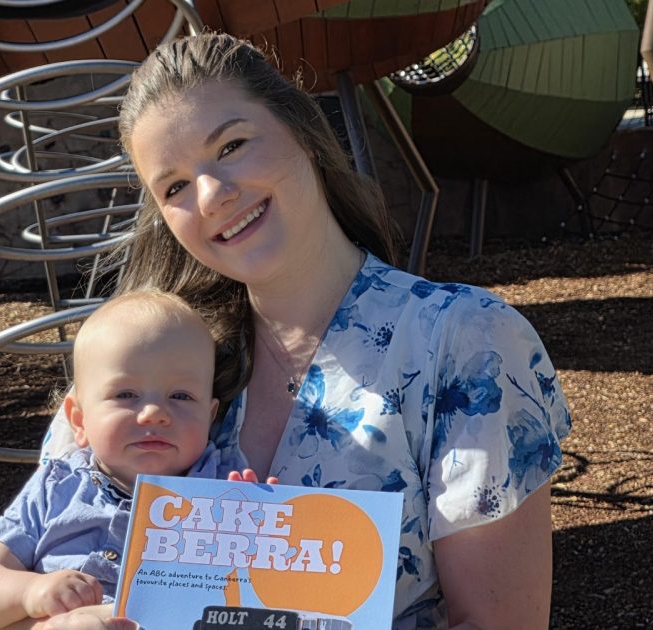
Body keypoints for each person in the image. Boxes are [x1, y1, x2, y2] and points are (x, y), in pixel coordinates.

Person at [43, 31, 572, 629]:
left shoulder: (467, 342)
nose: (212, 195)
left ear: (304, 134)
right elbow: (16, 579)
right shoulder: (147, 356)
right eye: (175, 187)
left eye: (233, 145)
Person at [0, 290, 253, 630]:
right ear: (79, 421)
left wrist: (264, 528)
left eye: (181, 396)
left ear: (210, 417)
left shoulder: (224, 489)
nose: (154, 413)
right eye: (126, 395)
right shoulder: (58, 487)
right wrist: (31, 591)